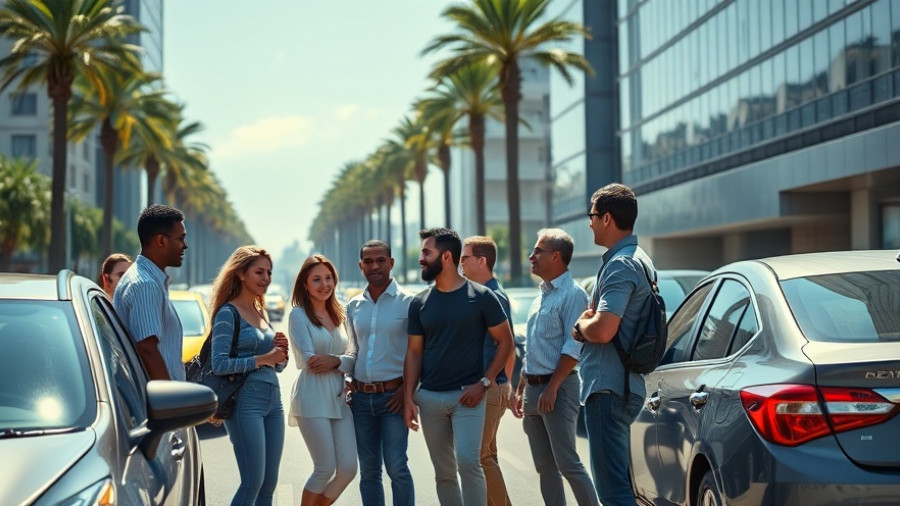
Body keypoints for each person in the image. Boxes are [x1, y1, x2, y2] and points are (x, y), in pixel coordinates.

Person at [403, 227, 515, 506]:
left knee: (469, 461)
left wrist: (486, 382)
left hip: (469, 397)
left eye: (426, 252)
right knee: (444, 474)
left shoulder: (482, 297)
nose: (421, 258)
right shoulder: (419, 303)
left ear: (446, 257)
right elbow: (414, 354)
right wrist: (408, 397)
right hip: (429, 399)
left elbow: (506, 343)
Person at [573, 183, 657, 505]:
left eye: (592, 215)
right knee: (620, 487)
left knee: (613, 492)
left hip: (608, 389)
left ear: (606, 218)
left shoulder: (621, 264)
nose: (589, 222)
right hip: (623, 385)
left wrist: (582, 326)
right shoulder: (640, 259)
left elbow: (604, 329)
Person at [510, 229, 598, 506]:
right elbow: (534, 347)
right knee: (544, 467)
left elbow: (573, 347)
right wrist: (521, 387)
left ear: (556, 256)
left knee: (567, 463)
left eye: (538, 251)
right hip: (534, 389)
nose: (531, 256)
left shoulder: (572, 295)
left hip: (558, 388)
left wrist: (553, 387)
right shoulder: (542, 295)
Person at [208, 246, 289, 506]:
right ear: (242, 273)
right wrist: (265, 358)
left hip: (273, 401)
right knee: (252, 482)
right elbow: (219, 364)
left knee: (268, 484)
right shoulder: (227, 313)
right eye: (259, 272)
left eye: (269, 272)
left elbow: (275, 366)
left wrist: (280, 355)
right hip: (245, 403)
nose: (266, 278)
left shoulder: (261, 311)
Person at [337, 239, 416, 506]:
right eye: (368, 261)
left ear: (391, 263)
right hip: (360, 400)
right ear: (360, 266)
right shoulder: (354, 306)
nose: (375, 266)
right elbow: (353, 349)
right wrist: (346, 378)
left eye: (380, 260)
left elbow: (420, 352)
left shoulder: (409, 303)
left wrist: (407, 390)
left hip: (393, 397)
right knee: (369, 472)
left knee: (396, 467)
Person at [288, 255, 357, 506]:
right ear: (305, 284)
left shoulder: (342, 312)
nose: (324, 284)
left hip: (340, 398)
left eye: (328, 278)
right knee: (324, 468)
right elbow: (309, 360)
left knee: (348, 468)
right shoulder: (298, 315)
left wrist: (336, 361)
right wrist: (340, 360)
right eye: (316, 279)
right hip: (312, 397)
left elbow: (354, 355)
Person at [460, 235, 514, 506]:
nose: (460, 264)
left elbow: (508, 345)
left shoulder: (492, 296)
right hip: (491, 385)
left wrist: (499, 383)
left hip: (488, 386)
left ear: (481, 261)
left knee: (480, 456)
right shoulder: (481, 294)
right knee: (486, 454)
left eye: (465, 258)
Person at [114, 204, 188, 380]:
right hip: (156, 404)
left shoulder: (148, 279)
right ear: (161, 241)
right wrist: (169, 400)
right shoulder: (145, 285)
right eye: (181, 239)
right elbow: (147, 350)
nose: (185, 246)